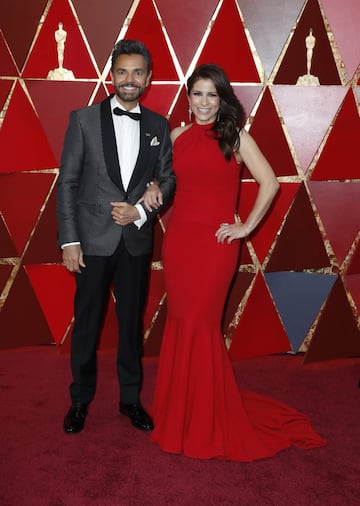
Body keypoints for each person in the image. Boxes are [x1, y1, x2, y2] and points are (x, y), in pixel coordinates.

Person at [148, 64, 327, 461]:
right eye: (198, 94)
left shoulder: (236, 137)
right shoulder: (175, 136)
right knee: (180, 322)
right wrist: (154, 190)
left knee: (200, 324)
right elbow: (163, 182)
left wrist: (245, 226)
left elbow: (271, 182)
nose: (204, 102)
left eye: (212, 95)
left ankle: (205, 416)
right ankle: (179, 411)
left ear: (222, 99)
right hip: (179, 245)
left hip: (215, 246)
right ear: (189, 96)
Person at [56, 39, 176, 434]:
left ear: (148, 78)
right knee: (87, 324)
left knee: (130, 326)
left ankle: (130, 400)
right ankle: (79, 401)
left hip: (135, 242)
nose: (129, 80)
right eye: (122, 72)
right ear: (112, 74)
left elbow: (167, 181)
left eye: (137, 72)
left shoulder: (158, 125)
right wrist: (69, 241)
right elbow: (68, 183)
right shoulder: (84, 120)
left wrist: (141, 211)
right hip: (90, 242)